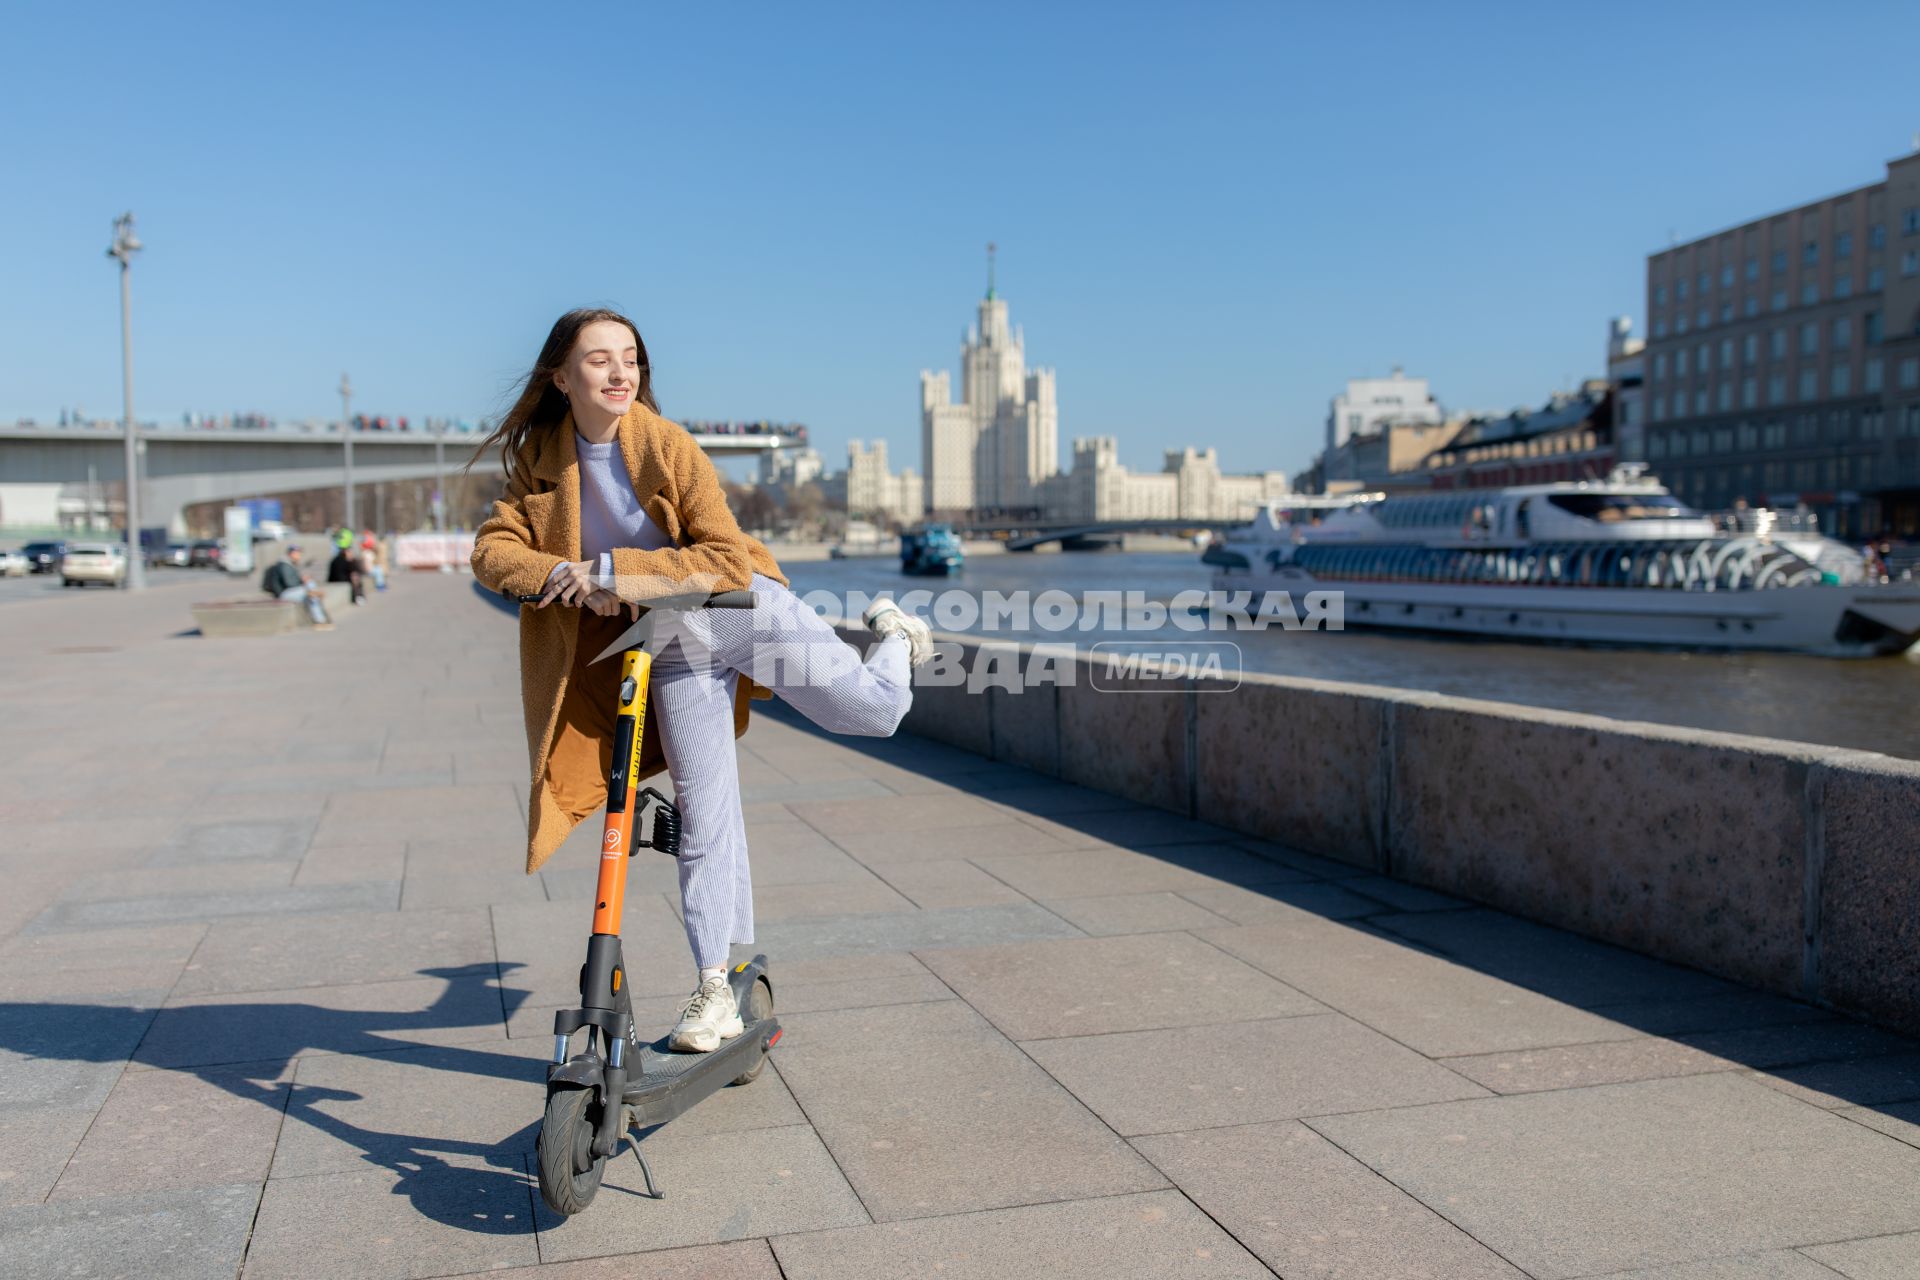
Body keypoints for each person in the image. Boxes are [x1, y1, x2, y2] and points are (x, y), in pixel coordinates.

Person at [469, 308, 933, 1054]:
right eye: (600, 361)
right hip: (670, 642)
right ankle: (716, 986)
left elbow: (722, 557)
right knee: (703, 813)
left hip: (741, 612)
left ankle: (897, 643)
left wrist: (615, 572)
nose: (621, 373)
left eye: (631, 359)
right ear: (561, 376)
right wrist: (557, 571)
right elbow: (492, 551)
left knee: (871, 713)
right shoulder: (543, 461)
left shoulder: (666, 444)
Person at [260, 545, 333, 628]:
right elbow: (290, 584)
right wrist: (302, 581)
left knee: (311, 590)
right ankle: (320, 620)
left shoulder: (289, 564)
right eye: (298, 553)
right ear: (291, 553)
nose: (299, 556)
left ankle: (320, 617)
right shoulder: (284, 565)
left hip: (290, 592)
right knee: (310, 591)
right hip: (284, 594)